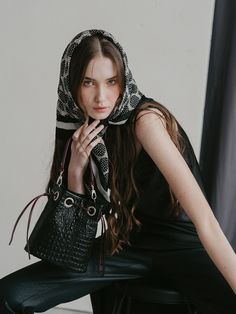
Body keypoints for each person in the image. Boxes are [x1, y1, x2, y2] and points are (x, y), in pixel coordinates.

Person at [0, 29, 236, 314]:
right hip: (128, 243)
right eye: (88, 82)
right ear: (71, 84)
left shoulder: (146, 123)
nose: (101, 96)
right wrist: (76, 170)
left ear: (123, 82)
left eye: (111, 82)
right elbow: (72, 242)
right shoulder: (86, 130)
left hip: (181, 245)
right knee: (9, 295)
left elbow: (206, 223)